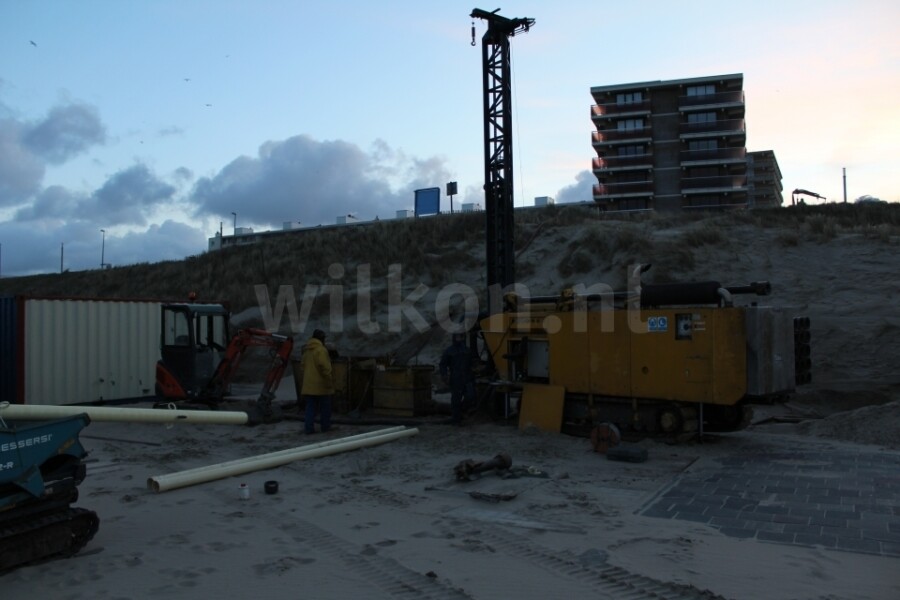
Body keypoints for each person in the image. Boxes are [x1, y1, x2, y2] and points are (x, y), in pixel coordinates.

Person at [300, 329, 334, 434]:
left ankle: (309, 429)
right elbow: (325, 368)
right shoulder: (321, 350)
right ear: (321, 339)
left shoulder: (307, 350)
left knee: (310, 408)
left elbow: (302, 366)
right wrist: (329, 382)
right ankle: (325, 427)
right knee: (325, 408)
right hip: (321, 385)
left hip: (308, 385)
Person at [439, 332, 476, 425]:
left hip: (468, 377)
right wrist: (444, 375)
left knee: (471, 396)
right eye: (458, 337)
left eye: (462, 337)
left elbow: (473, 363)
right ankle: (456, 420)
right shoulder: (449, 351)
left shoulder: (468, 350)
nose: (460, 338)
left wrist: (475, 370)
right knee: (456, 399)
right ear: (454, 338)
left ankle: (462, 411)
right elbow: (443, 364)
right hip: (456, 378)